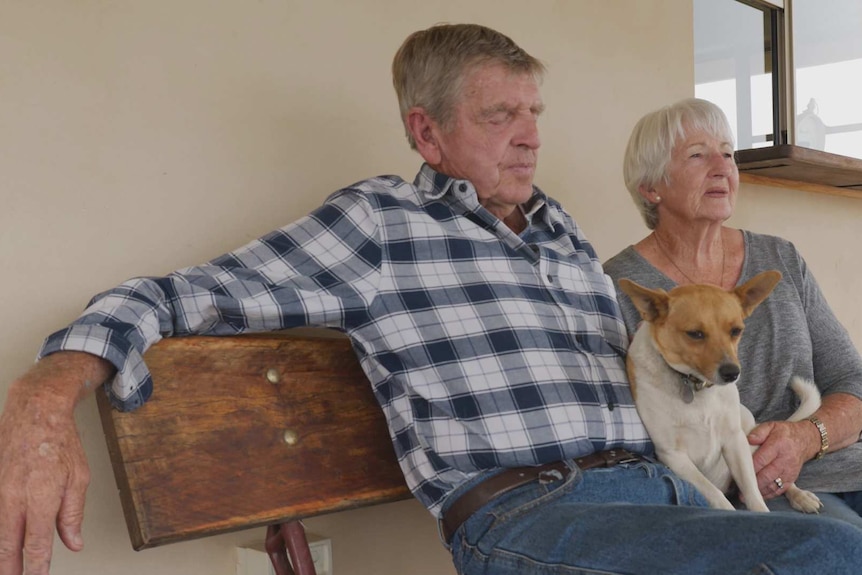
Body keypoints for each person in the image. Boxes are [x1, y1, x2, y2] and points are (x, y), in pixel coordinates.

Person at [3, 25, 862, 575]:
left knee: (843, 543)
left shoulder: (562, 233)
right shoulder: (380, 223)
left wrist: (778, 429)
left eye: (535, 111)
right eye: (499, 116)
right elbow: (182, 294)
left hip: (658, 493)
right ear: (426, 132)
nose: (530, 134)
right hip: (536, 515)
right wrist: (46, 393)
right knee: (822, 558)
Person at [604, 97, 862, 527]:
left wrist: (806, 437)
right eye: (698, 155)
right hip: (753, 492)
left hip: (841, 463)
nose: (722, 167)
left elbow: (851, 380)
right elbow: (630, 434)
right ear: (652, 187)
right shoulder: (619, 287)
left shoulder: (779, 257)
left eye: (727, 153)